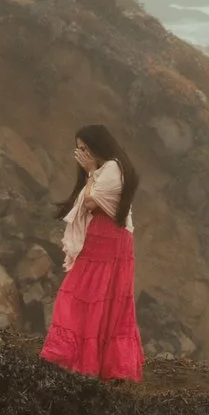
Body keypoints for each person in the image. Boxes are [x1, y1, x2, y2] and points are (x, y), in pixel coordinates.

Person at [40, 123, 144, 381]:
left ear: (99, 147)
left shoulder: (111, 168)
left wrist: (90, 173)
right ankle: (90, 361)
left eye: (85, 149)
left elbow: (89, 202)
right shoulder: (111, 168)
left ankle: (78, 358)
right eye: (78, 150)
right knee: (99, 297)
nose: (82, 155)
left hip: (108, 240)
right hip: (106, 238)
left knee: (80, 294)